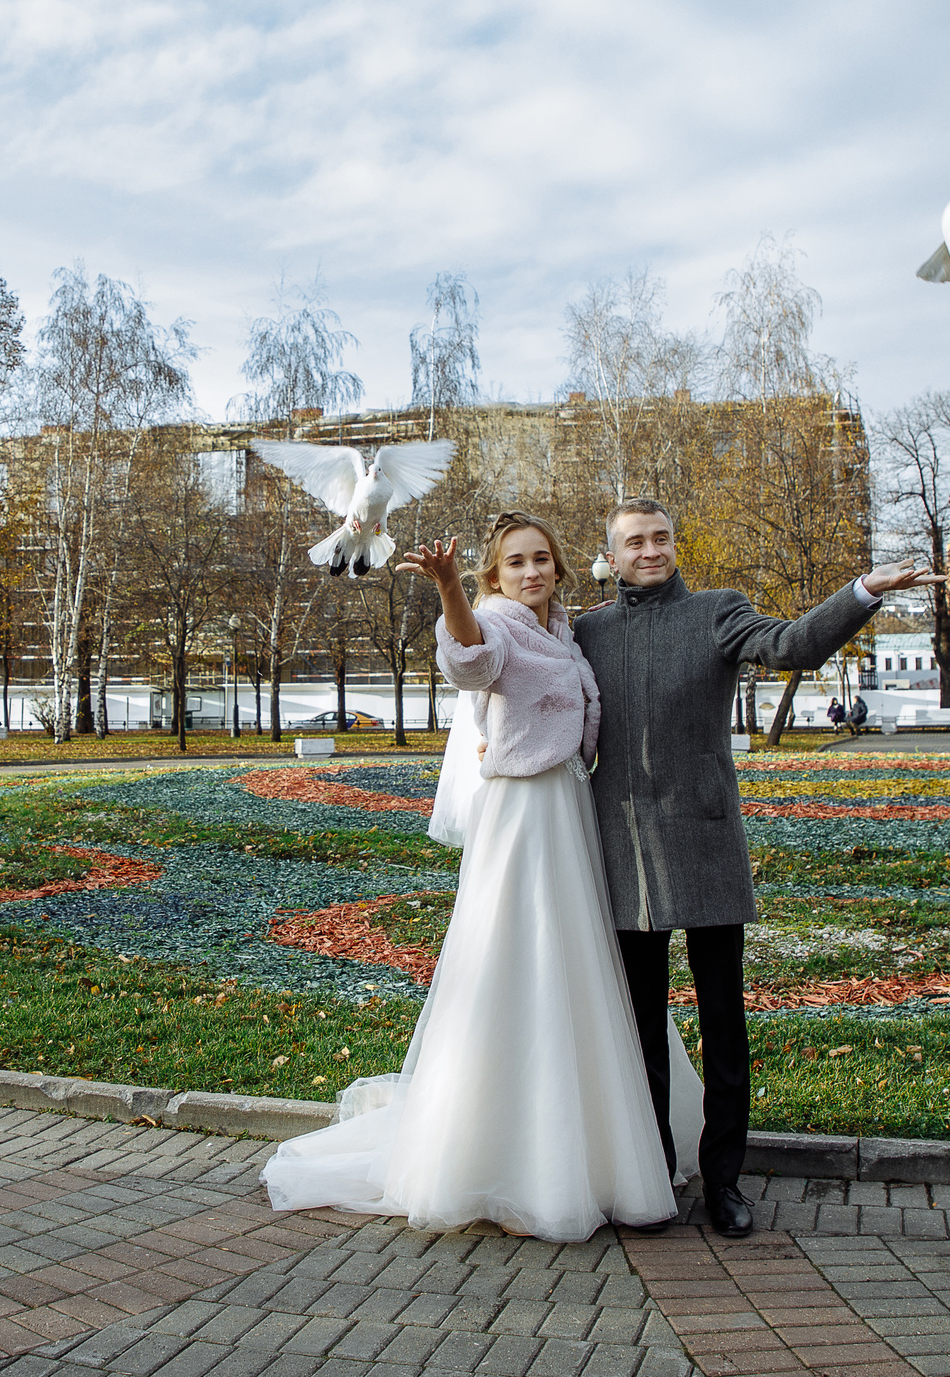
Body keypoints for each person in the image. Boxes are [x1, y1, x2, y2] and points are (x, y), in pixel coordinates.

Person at [264, 512, 698, 1241]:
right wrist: (447, 589)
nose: (531, 572)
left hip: (568, 805)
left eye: (541, 560)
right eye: (515, 563)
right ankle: (507, 1161)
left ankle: (593, 1151)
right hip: (519, 814)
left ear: (559, 569)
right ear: (495, 576)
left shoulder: (565, 629)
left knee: (578, 964)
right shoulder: (493, 619)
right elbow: (471, 659)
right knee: (514, 957)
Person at [576, 496, 943, 1237]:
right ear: (611, 555)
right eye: (634, 541)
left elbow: (794, 644)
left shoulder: (716, 610)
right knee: (639, 1029)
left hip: (706, 843)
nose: (650, 550)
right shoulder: (586, 629)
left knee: (724, 1029)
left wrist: (863, 591)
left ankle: (725, 1183)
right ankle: (651, 1178)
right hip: (621, 853)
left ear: (674, 544)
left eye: (661, 537)